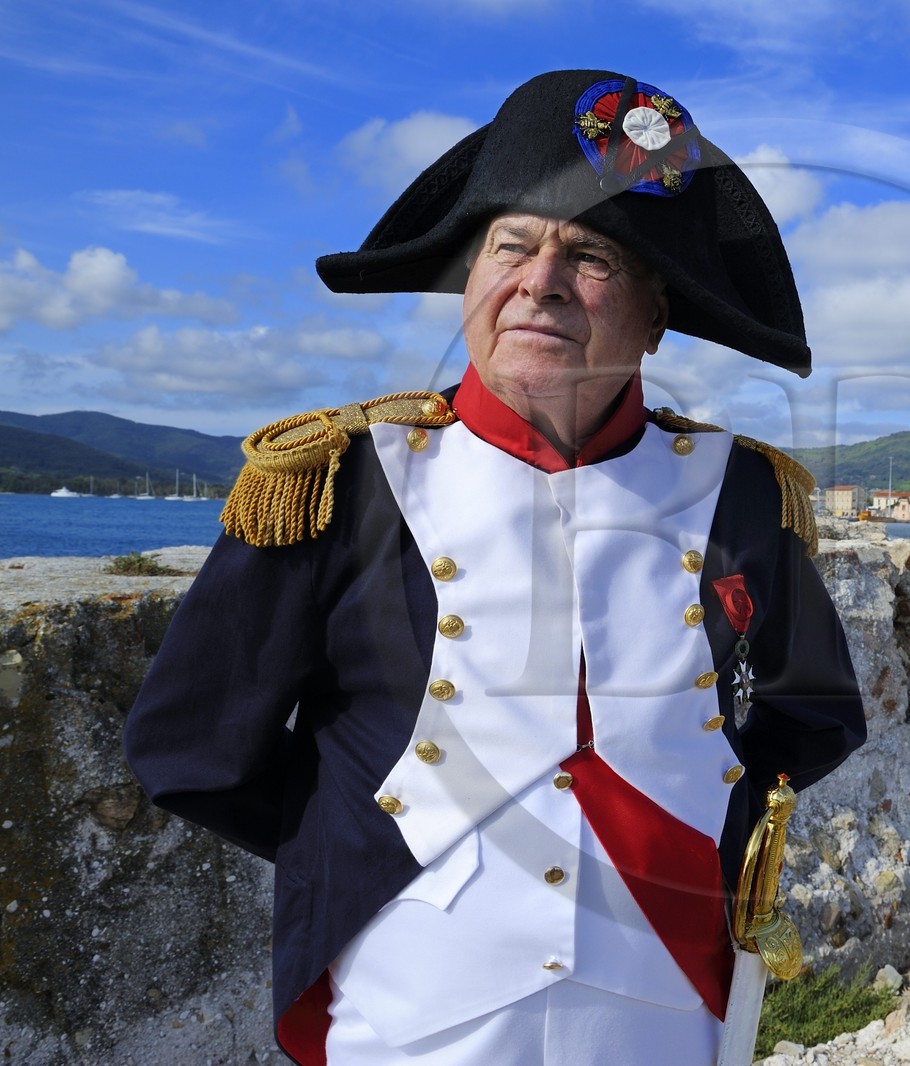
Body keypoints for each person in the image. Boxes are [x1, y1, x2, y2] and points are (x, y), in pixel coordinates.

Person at [124, 68, 866, 1065]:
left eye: (593, 256)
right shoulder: (337, 484)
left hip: (667, 1005)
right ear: (469, 282)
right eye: (511, 245)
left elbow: (811, 715)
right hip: (414, 1002)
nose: (540, 279)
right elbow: (191, 750)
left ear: (655, 317)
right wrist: (372, 833)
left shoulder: (741, 496)